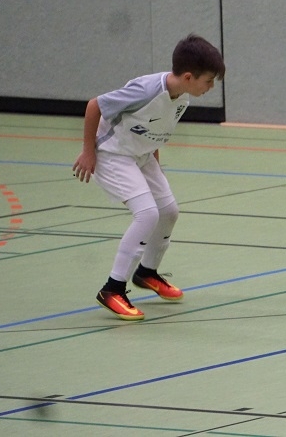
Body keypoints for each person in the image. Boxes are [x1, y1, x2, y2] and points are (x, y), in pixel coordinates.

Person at [73, 34, 225, 320]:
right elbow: (95, 106)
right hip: (113, 153)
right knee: (147, 214)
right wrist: (88, 152)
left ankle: (146, 272)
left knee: (169, 211)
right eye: (208, 81)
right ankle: (112, 289)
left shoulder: (182, 97)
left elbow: (153, 130)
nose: (211, 87)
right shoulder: (145, 90)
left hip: (142, 155)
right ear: (189, 77)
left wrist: (156, 167)